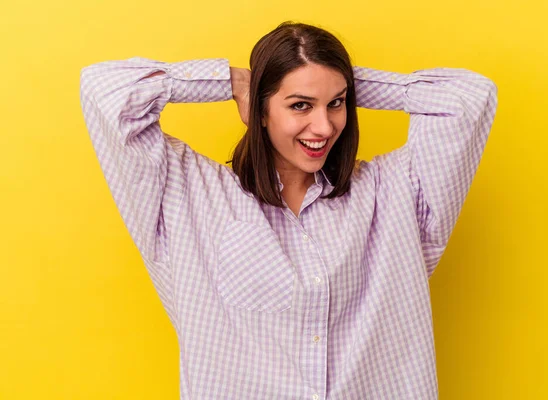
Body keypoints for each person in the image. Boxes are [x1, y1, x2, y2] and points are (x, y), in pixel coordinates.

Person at [79, 21, 497, 400]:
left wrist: (343, 85)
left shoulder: (393, 195)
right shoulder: (188, 195)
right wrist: (231, 81)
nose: (325, 127)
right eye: (300, 105)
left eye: (336, 105)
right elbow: (105, 91)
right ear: (260, 111)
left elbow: (470, 99)